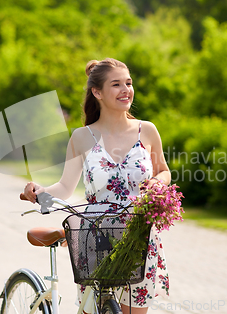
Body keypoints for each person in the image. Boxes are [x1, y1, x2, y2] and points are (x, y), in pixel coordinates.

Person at [20, 58, 171, 314]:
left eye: (128, 83)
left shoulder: (147, 131)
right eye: (116, 85)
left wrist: (157, 183)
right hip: (96, 237)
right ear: (97, 92)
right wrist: (38, 193)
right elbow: (66, 187)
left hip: (139, 236)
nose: (126, 90)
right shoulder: (81, 137)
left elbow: (164, 171)